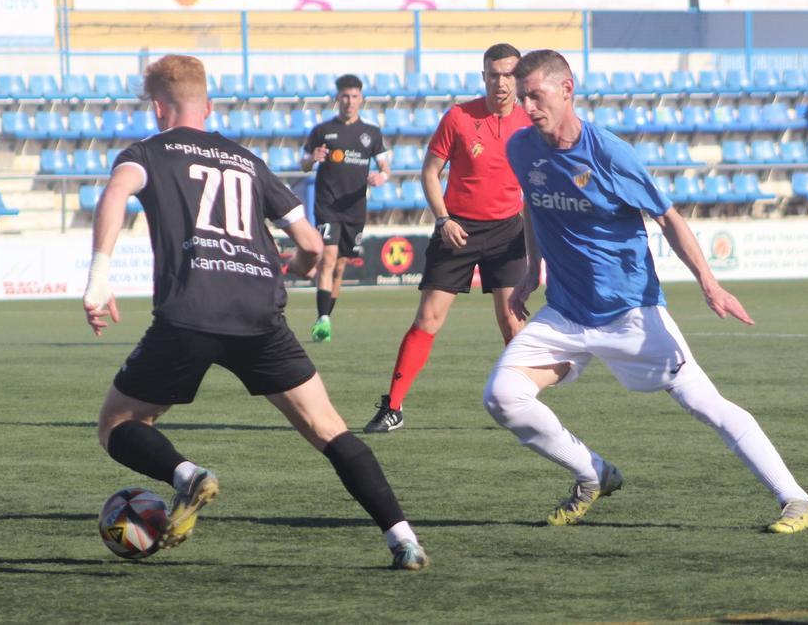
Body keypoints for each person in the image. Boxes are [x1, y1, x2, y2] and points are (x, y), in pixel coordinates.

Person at [82, 54, 428, 570]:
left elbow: (115, 193)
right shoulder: (246, 160)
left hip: (191, 310)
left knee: (119, 423)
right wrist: (302, 262)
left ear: (158, 108)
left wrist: (97, 279)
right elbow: (309, 240)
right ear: (210, 104)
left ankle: (187, 476)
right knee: (327, 428)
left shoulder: (147, 153)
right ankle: (403, 539)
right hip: (259, 310)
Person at [485, 49, 808, 533]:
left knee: (706, 404)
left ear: (567, 90)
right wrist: (531, 270)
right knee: (502, 396)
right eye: (523, 99)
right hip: (565, 312)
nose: (528, 107)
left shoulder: (608, 154)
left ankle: (798, 500)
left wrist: (709, 283)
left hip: (630, 313)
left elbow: (667, 216)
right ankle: (592, 473)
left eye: (535, 96)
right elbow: (534, 208)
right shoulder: (522, 148)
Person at [364, 43, 533, 433]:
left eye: (509, 74)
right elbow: (429, 172)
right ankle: (393, 407)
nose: (502, 82)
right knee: (428, 318)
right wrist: (443, 219)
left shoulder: (531, 121)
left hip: (508, 231)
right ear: (484, 77)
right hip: (457, 229)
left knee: (512, 324)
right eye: (494, 74)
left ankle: (524, 404)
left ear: (519, 78)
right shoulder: (458, 117)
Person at [301, 74, 390, 343]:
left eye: (354, 97)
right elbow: (304, 162)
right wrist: (312, 159)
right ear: (337, 98)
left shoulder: (371, 133)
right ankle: (322, 319)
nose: (349, 102)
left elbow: (385, 167)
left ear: (361, 99)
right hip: (327, 205)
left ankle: (326, 317)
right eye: (345, 96)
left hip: (354, 208)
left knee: (340, 266)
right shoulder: (322, 130)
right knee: (328, 258)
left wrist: (380, 177)